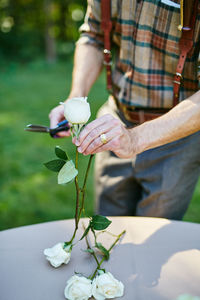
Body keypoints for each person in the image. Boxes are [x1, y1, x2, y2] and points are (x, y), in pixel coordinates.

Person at [49, 0, 200, 220]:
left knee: (153, 239)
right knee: (108, 231)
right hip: (114, 120)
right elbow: (93, 35)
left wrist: (134, 139)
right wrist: (76, 100)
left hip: (176, 136)